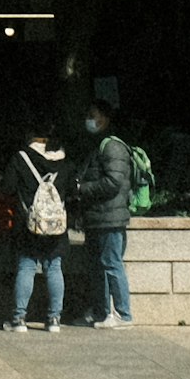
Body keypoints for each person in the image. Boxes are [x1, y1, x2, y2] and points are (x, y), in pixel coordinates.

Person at [76, 100, 140, 328]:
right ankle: (102, 311)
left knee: (112, 263)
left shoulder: (112, 146)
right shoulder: (99, 145)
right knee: (98, 265)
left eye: (93, 115)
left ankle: (123, 314)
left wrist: (83, 189)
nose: (89, 120)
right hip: (97, 217)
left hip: (109, 217)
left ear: (105, 118)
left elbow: (113, 181)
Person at [6, 125, 72, 332]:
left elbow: (7, 187)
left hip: (29, 223)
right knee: (54, 268)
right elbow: (73, 191)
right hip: (56, 225)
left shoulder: (21, 158)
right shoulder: (65, 161)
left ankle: (19, 319)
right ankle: (54, 319)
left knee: (27, 267)